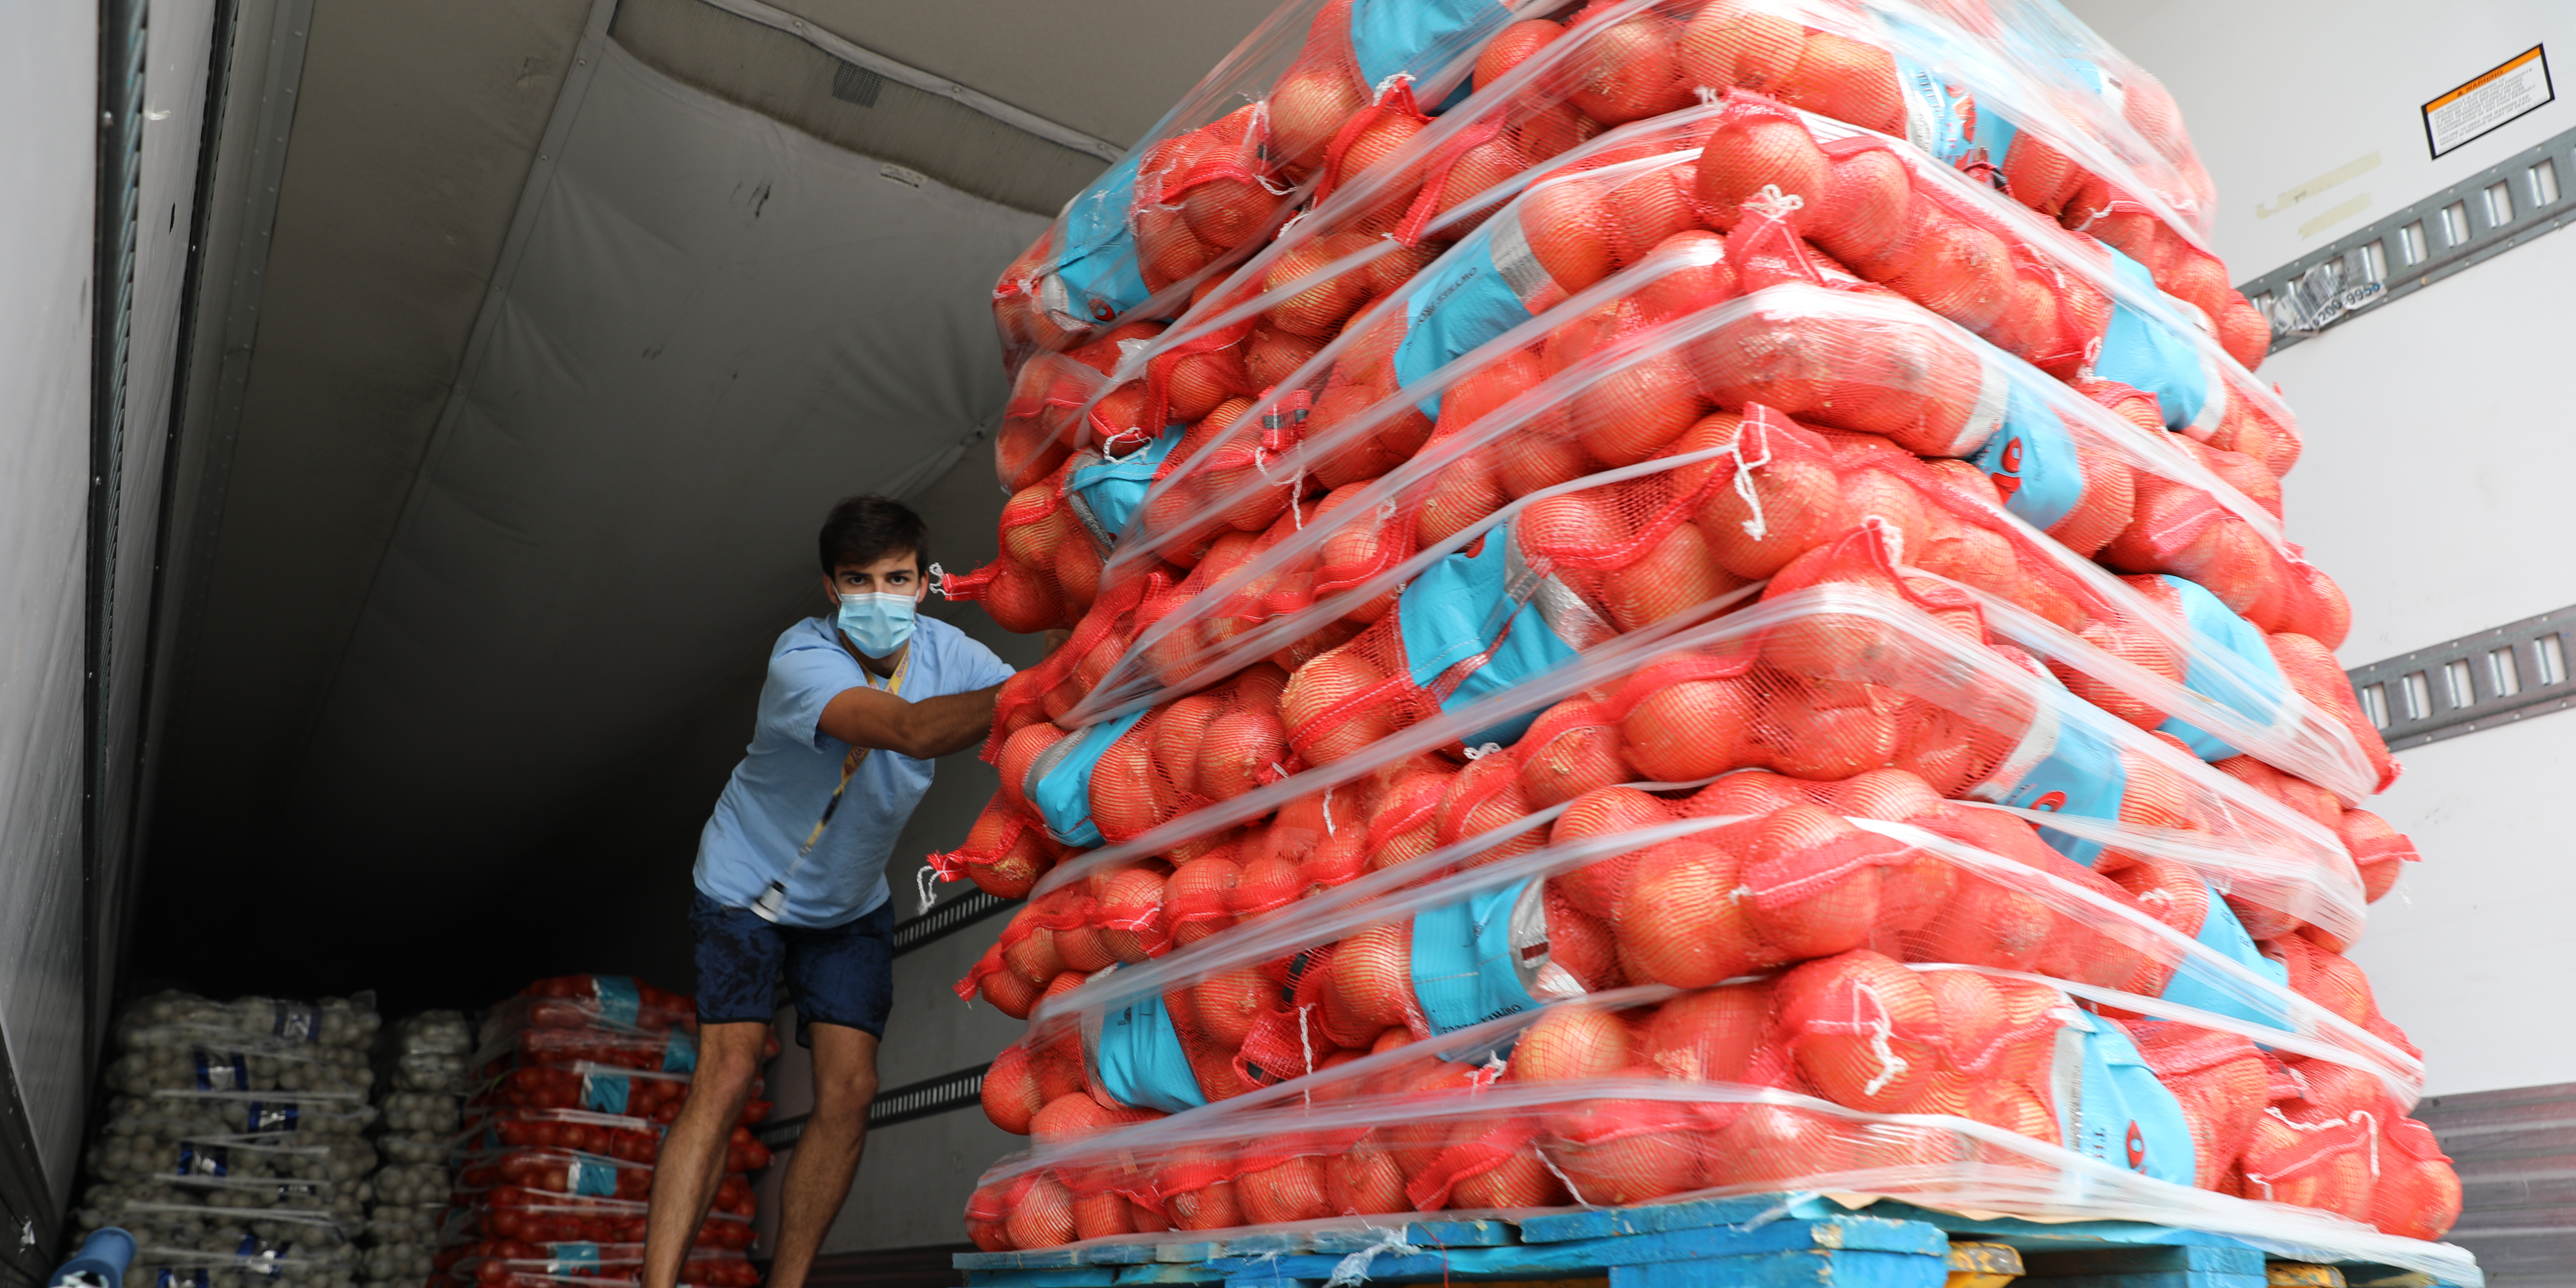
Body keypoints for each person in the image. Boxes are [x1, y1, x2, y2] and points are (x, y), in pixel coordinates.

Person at [644, 495, 1015, 1288]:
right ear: (829, 585)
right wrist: (1051, 682)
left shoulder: (953, 654)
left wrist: (1074, 666)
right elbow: (911, 730)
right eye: (858, 581)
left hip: (848, 903)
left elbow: (1035, 711)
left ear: (924, 582)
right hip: (745, 883)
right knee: (731, 1070)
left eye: (897, 578)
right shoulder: (801, 660)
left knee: (852, 1090)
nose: (879, 599)